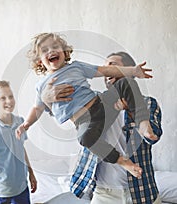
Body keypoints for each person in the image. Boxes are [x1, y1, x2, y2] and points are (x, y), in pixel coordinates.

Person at [16, 32, 156, 178]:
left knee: (126, 83)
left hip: (100, 104)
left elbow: (105, 71)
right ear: (39, 61)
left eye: (55, 46)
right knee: (85, 139)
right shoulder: (42, 86)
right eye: (45, 50)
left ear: (64, 51)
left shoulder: (77, 67)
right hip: (84, 121)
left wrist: (133, 70)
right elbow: (37, 108)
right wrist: (26, 124)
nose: (51, 51)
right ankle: (122, 161)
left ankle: (143, 123)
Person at [43, 52, 162, 204]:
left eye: (113, 66)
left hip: (141, 192)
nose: (107, 71)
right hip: (104, 193)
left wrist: (132, 112)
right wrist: (46, 100)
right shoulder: (96, 102)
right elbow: (62, 110)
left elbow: (153, 137)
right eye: (105, 69)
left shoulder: (147, 103)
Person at [0, 80, 37, 204]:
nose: (9, 101)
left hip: (22, 189)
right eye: (2, 98)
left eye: (11, 96)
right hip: (1, 194)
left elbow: (21, 149)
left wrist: (31, 172)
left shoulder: (20, 122)